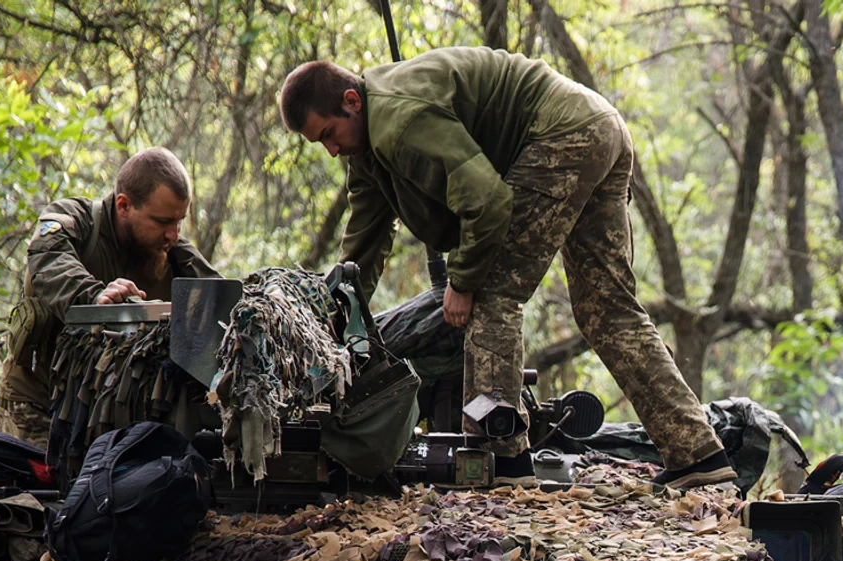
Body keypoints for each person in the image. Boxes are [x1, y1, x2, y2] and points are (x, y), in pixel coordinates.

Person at [276, 49, 736, 490]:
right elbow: (364, 246)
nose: (332, 150)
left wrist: (463, 280)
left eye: (329, 134)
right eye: (322, 144)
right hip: (599, 126)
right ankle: (698, 454)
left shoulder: (399, 118)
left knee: (491, 294)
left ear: (351, 102)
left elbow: (487, 200)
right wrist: (334, 317)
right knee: (608, 309)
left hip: (562, 135)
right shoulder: (368, 149)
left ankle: (500, 459)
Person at [0, 147, 218, 447]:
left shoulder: (175, 255)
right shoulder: (75, 222)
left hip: (112, 416)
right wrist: (96, 297)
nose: (173, 234)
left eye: (179, 221)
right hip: (39, 407)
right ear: (124, 205)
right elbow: (48, 260)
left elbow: (222, 301)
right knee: (41, 491)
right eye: (163, 221)